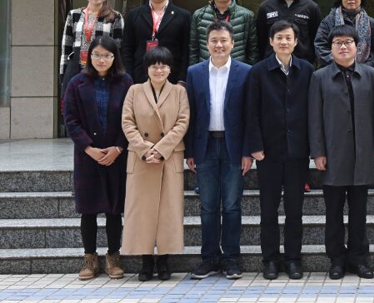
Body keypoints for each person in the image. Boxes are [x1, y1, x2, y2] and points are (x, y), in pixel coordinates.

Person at [309, 25, 374, 280]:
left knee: (359, 213)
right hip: (333, 154)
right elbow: (314, 117)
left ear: (357, 46)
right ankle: (337, 260)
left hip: (363, 153)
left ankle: (359, 260)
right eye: (338, 42)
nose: (343, 46)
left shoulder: (371, 74)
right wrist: (318, 152)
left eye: (348, 42)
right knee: (333, 213)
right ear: (330, 48)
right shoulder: (319, 77)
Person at [246, 20, 315, 280]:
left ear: (296, 42)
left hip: (298, 151)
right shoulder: (258, 71)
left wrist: (313, 147)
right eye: (279, 38)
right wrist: (255, 145)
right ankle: (270, 260)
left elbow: (313, 110)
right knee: (269, 210)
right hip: (269, 152)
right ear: (271, 41)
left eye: (288, 38)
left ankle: (293, 259)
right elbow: (251, 111)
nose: (284, 42)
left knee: (295, 210)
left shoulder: (307, 70)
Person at [185, 21, 252, 280]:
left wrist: (247, 151)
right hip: (205, 145)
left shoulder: (245, 72)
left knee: (232, 205)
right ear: (207, 44)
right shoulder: (195, 72)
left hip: (233, 146)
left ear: (233, 43)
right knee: (208, 206)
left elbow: (250, 115)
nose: (219, 45)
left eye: (224, 40)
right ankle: (209, 258)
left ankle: (231, 258)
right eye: (214, 40)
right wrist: (190, 151)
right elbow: (190, 114)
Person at [63, 36, 132, 280]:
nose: (102, 60)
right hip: (87, 156)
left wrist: (119, 147)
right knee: (88, 209)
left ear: (115, 58)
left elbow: (131, 118)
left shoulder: (125, 82)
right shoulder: (76, 83)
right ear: (89, 56)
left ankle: (113, 256)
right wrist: (89, 148)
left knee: (114, 209)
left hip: (116, 154)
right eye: (97, 55)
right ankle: (89, 258)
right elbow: (70, 120)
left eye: (107, 55)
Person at [121, 46, 190, 281]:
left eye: (163, 66)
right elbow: (127, 122)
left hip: (168, 157)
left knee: (168, 211)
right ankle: (145, 261)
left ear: (170, 69)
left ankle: (164, 260)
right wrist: (144, 149)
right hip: (141, 159)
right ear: (146, 68)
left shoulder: (179, 92)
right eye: (154, 66)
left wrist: (160, 149)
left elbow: (182, 122)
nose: (158, 70)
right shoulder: (134, 91)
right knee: (141, 211)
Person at [122, 0, 191, 84]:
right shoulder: (134, 15)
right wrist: (129, 78)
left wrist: (181, 80)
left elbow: (186, 51)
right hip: (140, 78)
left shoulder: (183, 16)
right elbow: (127, 49)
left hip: (172, 79)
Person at [60, 0, 124, 98]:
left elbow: (118, 49)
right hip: (76, 69)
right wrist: (63, 75)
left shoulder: (115, 17)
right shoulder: (74, 15)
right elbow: (66, 47)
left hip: (103, 71)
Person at [189, 0, 259, 66]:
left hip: (237, 70)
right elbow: (193, 50)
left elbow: (253, 51)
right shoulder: (199, 15)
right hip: (206, 69)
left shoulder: (246, 16)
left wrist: (250, 72)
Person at [315, 0, 374, 72]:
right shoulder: (329, 20)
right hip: (333, 72)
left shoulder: (371, 23)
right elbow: (320, 46)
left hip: (363, 73)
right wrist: (342, 65)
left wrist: (360, 68)